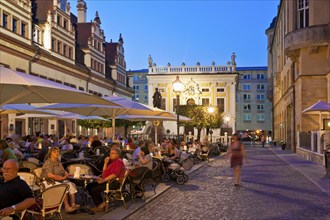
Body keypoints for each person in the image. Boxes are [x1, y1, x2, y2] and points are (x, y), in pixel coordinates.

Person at [41, 147, 79, 212]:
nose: (57, 153)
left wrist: (66, 174)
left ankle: (73, 204)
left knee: (71, 184)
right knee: (64, 187)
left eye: (58, 152)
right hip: (50, 181)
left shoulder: (58, 161)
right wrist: (62, 178)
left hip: (59, 180)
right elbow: (50, 175)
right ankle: (67, 206)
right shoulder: (48, 163)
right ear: (50, 154)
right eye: (55, 152)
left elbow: (63, 170)